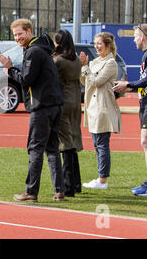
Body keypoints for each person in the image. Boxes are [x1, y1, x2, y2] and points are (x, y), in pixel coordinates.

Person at [0, 18, 66, 202]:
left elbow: (27, 79)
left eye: (20, 34)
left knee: (35, 148)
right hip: (55, 104)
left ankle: (31, 191)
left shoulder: (33, 51)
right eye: (15, 35)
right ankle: (59, 190)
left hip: (42, 106)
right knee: (52, 148)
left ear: (29, 32)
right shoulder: (43, 49)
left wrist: (10, 69)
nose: (17, 38)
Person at [113, 24, 147, 196]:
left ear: (143, 37)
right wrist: (129, 87)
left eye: (136, 36)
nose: (134, 39)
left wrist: (128, 84)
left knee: (146, 141)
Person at [80, 32, 121, 190]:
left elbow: (96, 82)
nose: (96, 46)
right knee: (97, 144)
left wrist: (85, 67)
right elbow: (85, 81)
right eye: (95, 43)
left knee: (102, 144)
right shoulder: (96, 61)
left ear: (108, 45)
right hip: (93, 107)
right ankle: (100, 177)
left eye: (99, 43)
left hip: (104, 107)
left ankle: (102, 180)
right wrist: (84, 67)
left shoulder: (110, 63)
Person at [52, 29, 83, 197]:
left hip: (63, 101)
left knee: (65, 143)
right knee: (72, 139)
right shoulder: (76, 60)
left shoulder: (58, 61)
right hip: (75, 101)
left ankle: (69, 185)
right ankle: (76, 183)